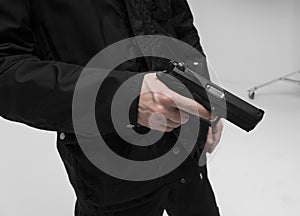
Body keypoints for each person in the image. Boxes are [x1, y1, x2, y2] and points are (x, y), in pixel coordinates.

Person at [0, 0, 223, 215]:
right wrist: (125, 96)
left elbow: (179, 22)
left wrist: (203, 101)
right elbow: (7, 71)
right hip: (111, 165)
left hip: (184, 142)